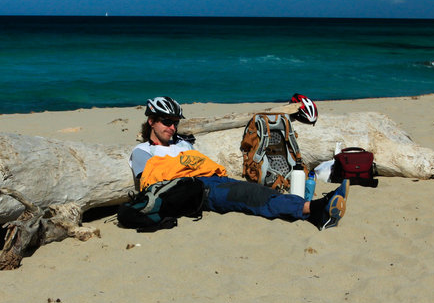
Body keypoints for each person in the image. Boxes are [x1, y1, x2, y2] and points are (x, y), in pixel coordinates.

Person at [129, 96, 347, 230]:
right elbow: (151, 181)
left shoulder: (183, 143)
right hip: (197, 190)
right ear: (151, 122)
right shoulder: (142, 151)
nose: (172, 128)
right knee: (249, 196)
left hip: (214, 180)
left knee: (253, 190)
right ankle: (314, 208)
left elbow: (198, 163)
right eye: (167, 122)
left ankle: (310, 210)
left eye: (175, 123)